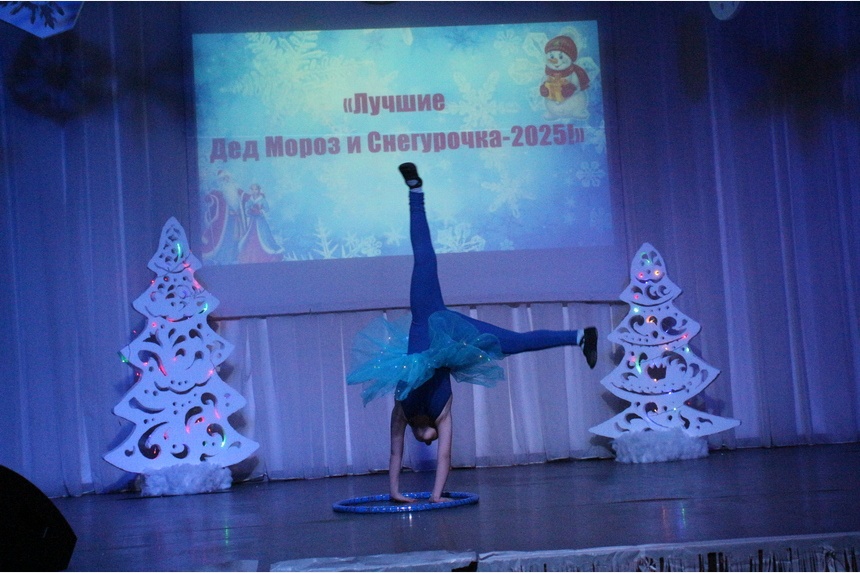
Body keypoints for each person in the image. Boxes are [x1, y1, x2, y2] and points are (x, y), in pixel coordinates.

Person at [348, 163, 597, 504]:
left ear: (419, 434)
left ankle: (415, 191)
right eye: (431, 441)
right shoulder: (441, 414)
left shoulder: (401, 412)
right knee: (512, 343)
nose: (429, 442)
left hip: (426, 319)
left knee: (424, 259)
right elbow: (445, 457)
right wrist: (434, 496)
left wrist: (396, 492)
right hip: (453, 334)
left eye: (425, 441)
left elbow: (395, 454)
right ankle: (579, 335)